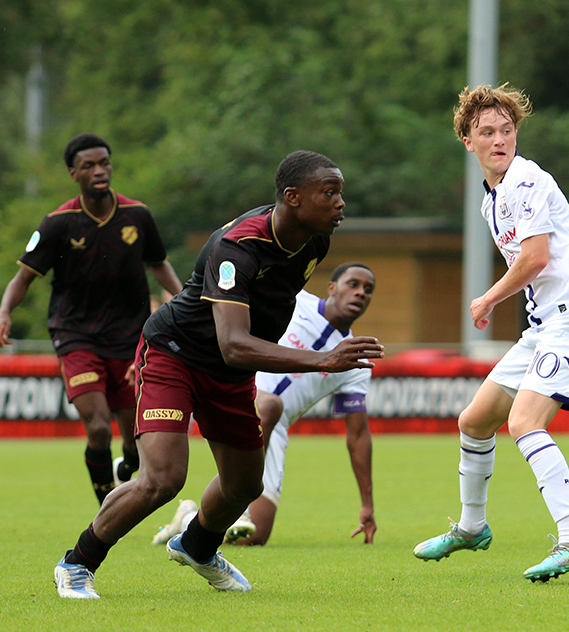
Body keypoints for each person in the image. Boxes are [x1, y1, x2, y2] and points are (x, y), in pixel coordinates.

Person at [52, 150, 384, 599]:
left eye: (340, 193)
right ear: (293, 197)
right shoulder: (239, 247)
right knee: (162, 479)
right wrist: (324, 359)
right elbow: (234, 343)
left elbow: (256, 327)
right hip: (176, 355)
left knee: (245, 484)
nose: (341, 203)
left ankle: (197, 546)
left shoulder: (315, 238)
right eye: (330, 193)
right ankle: (77, 563)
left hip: (230, 373)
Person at [413, 84, 569, 582]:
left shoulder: (526, 181)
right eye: (487, 132)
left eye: (506, 130)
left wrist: (487, 298)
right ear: (468, 141)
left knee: (525, 423)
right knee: (475, 421)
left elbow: (536, 258)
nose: (499, 139)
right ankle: (472, 527)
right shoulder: (492, 200)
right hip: (544, 326)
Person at [0, 133, 183, 505]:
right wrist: (3, 312)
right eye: (89, 166)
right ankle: (107, 506)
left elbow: (158, 262)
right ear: (73, 174)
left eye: (104, 163)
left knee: (133, 441)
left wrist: (178, 300)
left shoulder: (137, 215)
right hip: (75, 335)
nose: (99, 171)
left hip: (130, 338)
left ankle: (123, 470)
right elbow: (25, 275)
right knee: (97, 428)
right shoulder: (58, 223)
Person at [151, 261, 378, 547]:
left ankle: (187, 518)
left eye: (367, 290)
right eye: (353, 285)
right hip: (241, 392)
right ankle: (239, 508)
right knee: (269, 405)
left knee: (254, 536)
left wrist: (367, 505)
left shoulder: (355, 360)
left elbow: (357, 435)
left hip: (275, 428)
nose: (360, 293)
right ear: (332, 287)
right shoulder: (296, 300)